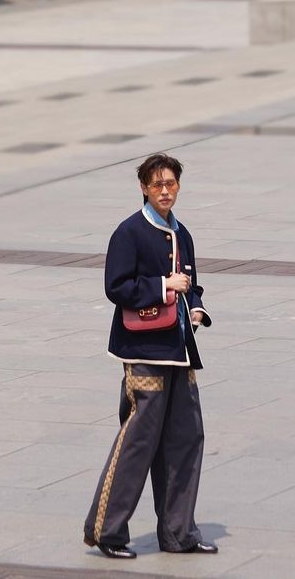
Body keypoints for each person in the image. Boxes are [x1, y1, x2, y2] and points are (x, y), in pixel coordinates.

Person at [84, 154, 216, 562]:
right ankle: (107, 531)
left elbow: (192, 281)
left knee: (186, 439)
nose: (164, 191)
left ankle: (178, 532)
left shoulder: (183, 232)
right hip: (142, 351)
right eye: (157, 184)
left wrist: (195, 305)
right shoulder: (129, 232)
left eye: (171, 184)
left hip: (180, 352)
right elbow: (117, 286)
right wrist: (163, 286)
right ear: (143, 186)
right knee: (138, 441)